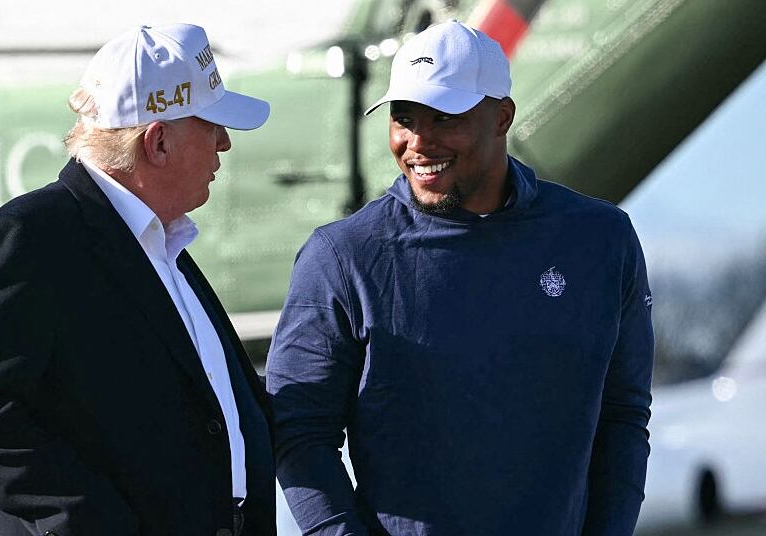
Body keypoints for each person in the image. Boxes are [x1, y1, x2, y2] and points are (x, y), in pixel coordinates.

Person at [266, 21, 653, 536]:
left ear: (502, 117)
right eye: (403, 119)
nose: (417, 143)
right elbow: (301, 434)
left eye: (444, 117)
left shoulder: (602, 239)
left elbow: (623, 415)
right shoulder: (341, 257)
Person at [0, 23, 275, 536]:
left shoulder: (162, 248)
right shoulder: (32, 238)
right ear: (157, 143)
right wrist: (84, 519)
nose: (224, 143)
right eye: (211, 125)